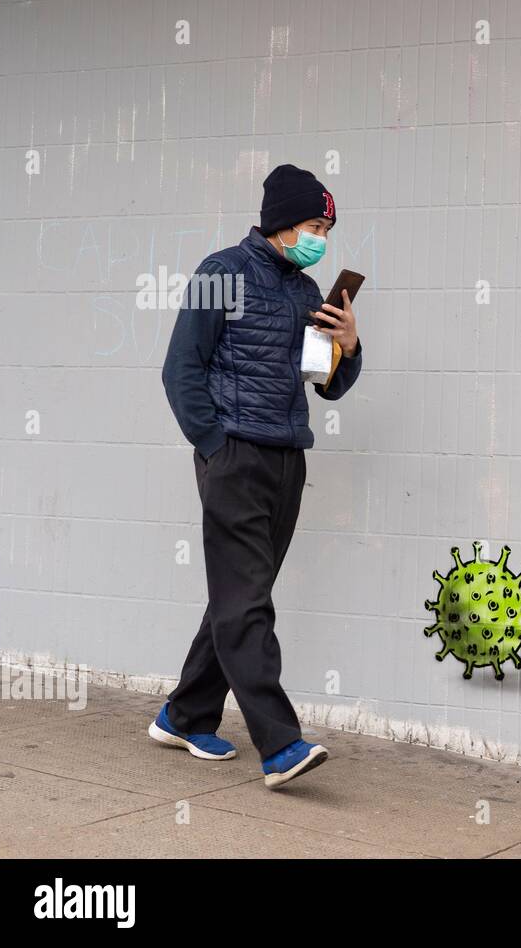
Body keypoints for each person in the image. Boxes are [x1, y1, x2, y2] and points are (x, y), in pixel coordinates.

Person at [154, 164, 363, 787]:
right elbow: (179, 370)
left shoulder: (305, 290)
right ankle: (280, 744)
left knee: (237, 598)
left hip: (287, 457)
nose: (320, 237)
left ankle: (183, 714)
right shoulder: (222, 273)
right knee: (247, 604)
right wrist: (215, 447)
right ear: (279, 223)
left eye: (326, 227)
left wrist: (348, 346)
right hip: (235, 457)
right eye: (312, 224)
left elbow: (327, 386)